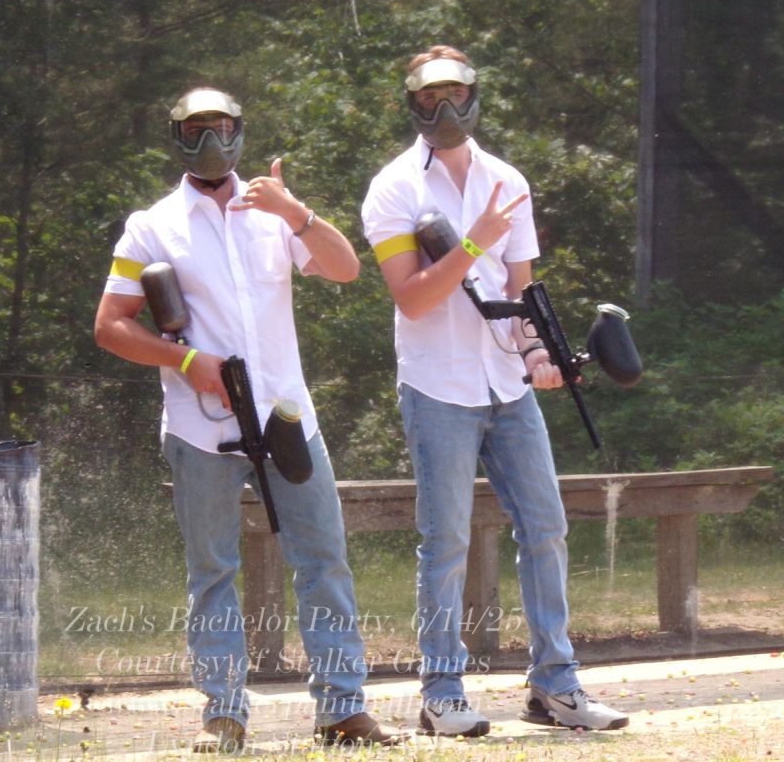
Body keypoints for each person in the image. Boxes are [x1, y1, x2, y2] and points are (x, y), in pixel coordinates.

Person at [95, 87, 401, 753]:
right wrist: (186, 361)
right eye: (195, 129)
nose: (210, 140)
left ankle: (342, 711)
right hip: (199, 425)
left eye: (221, 126)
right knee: (212, 570)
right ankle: (224, 716)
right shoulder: (151, 226)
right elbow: (111, 325)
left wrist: (296, 212)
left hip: (287, 417)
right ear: (177, 138)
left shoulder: (273, 211)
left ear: (239, 132)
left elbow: (346, 269)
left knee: (323, 560)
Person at [360, 46, 629, 734]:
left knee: (546, 528)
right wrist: (474, 243)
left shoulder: (506, 180)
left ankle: (554, 686)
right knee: (445, 541)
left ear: (474, 95)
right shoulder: (392, 189)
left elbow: (520, 292)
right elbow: (413, 298)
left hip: (508, 386)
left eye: (454, 93)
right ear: (411, 103)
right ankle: (441, 695)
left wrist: (539, 354)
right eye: (429, 97)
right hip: (437, 384)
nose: (443, 108)